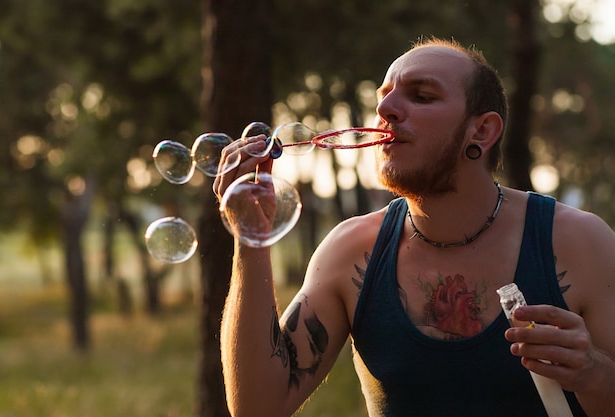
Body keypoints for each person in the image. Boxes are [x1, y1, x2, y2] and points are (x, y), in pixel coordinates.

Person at [213, 37, 615, 417]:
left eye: (421, 96)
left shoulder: (579, 242)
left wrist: (593, 372)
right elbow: (257, 406)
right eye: (382, 96)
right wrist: (251, 238)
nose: (385, 109)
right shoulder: (351, 252)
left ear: (482, 131)